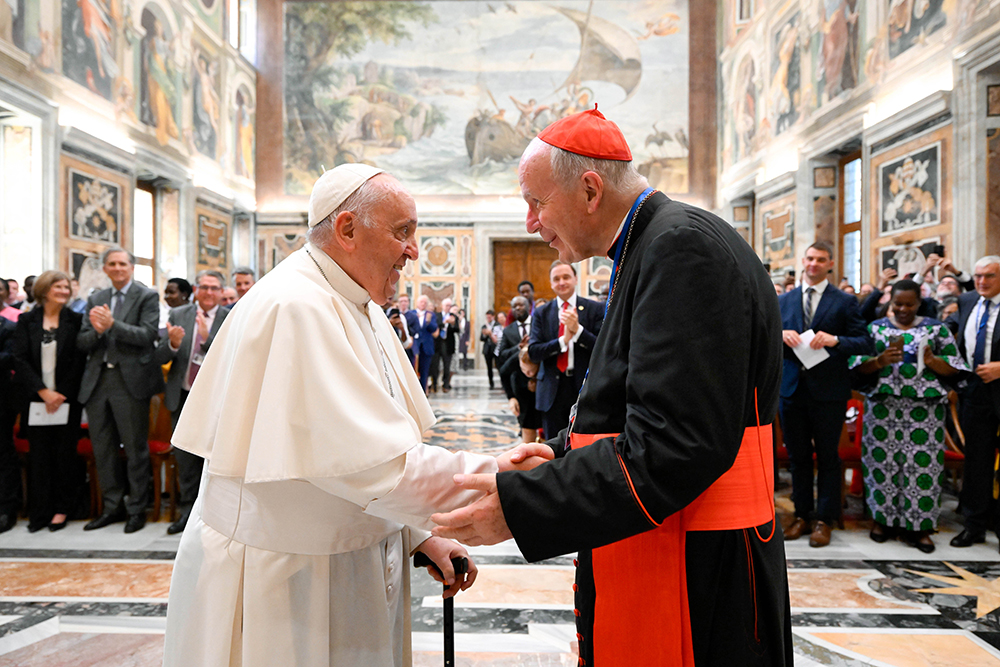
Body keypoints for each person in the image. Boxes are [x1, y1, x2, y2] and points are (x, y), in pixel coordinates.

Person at [432, 108, 792, 666]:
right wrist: (554, 454)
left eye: (536, 202)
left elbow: (676, 445)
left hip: (698, 565)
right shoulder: (654, 243)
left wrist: (524, 508)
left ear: (590, 189)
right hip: (670, 538)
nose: (531, 222)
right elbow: (640, 401)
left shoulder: (680, 250)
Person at [162, 163, 548, 666]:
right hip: (287, 577)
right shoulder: (296, 305)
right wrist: (505, 479)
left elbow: (370, 444)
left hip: (347, 559)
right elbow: (371, 465)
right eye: (402, 232)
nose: (413, 250)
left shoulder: (353, 301)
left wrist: (420, 534)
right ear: (346, 229)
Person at [850, 280, 967, 553]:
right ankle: (883, 521)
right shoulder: (876, 329)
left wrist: (933, 361)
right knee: (882, 466)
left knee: (923, 468)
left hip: (924, 412)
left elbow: (956, 368)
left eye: (909, 304)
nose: (903, 309)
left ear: (919, 303)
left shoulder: (936, 329)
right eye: (898, 304)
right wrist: (879, 362)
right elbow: (855, 366)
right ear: (891, 303)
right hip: (883, 409)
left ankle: (921, 527)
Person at [779, 241, 872, 548]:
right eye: (809, 258)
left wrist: (835, 340)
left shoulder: (844, 301)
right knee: (798, 457)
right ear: (802, 261)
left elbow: (863, 341)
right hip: (792, 389)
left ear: (830, 263)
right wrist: (780, 335)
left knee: (828, 458)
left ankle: (825, 519)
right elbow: (763, 335)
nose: (813, 264)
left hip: (828, 390)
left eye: (820, 259)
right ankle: (802, 515)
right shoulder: (785, 300)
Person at [77, 248, 164, 533]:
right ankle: (112, 507)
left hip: (130, 383)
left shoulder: (146, 295)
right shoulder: (96, 298)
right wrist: (99, 331)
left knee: (135, 449)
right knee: (104, 451)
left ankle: (136, 509)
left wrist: (113, 325)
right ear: (105, 267)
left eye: (122, 263)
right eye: (111, 264)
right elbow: (82, 341)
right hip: (98, 383)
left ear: (131, 267)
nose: (117, 268)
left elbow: (147, 335)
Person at [154, 270, 231, 535]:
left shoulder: (232, 316)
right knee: (185, 458)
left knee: (213, 460)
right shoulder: (179, 314)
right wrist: (173, 345)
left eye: (215, 288)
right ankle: (187, 513)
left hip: (216, 400)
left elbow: (231, 358)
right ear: (196, 289)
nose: (209, 292)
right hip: (183, 395)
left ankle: (213, 516)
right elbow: (161, 354)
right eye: (205, 287)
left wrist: (207, 338)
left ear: (222, 292)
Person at [11, 271, 86, 532]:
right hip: (35, 400)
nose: (64, 291)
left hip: (67, 400)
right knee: (39, 457)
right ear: (44, 290)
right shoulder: (26, 320)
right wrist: (43, 392)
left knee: (64, 456)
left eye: (67, 287)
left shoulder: (76, 320)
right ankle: (40, 511)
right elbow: (19, 359)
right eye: (58, 286)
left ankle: (62, 509)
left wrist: (59, 393)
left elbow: (79, 362)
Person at [944, 256, 1000, 549]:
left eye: (989, 276)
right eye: (978, 276)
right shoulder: (967, 301)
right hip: (975, 393)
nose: (982, 282)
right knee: (976, 462)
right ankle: (974, 525)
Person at [528, 260, 603, 437]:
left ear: (575, 279)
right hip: (551, 391)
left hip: (583, 388)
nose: (562, 282)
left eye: (566, 277)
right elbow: (534, 351)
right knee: (553, 447)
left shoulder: (594, 309)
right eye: (556, 279)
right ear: (551, 283)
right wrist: (563, 341)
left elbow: (603, 349)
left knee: (580, 447)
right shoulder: (542, 313)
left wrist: (578, 331)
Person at [500, 346, 542, 443]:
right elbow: (503, 373)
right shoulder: (515, 360)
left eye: (530, 370)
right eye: (523, 369)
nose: (527, 373)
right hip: (522, 392)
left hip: (542, 393)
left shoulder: (540, 358)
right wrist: (511, 397)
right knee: (527, 424)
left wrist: (537, 382)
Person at [0, 314, 18, 534]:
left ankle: (6, 509)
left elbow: (9, 357)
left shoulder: (9, 327)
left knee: (3, 455)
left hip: (2, 401)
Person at [411, 294, 438, 392]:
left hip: (426, 347)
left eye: (425, 303)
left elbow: (434, 328)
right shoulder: (412, 313)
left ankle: (423, 391)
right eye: (421, 302)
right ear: (417, 303)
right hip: (414, 346)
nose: (423, 304)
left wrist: (428, 321)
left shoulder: (430, 315)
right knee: (412, 370)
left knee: (424, 371)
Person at [496, 295, 531, 366]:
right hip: (516, 372)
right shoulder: (507, 331)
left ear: (528, 307)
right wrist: (518, 347)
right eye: (514, 306)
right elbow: (502, 354)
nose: (518, 308)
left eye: (521, 305)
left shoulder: (539, 324)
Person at [480, 310, 499, 388]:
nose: (488, 318)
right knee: (489, 367)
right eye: (487, 317)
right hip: (487, 349)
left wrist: (490, 332)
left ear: (493, 317)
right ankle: (491, 383)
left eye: (489, 317)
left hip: (495, 348)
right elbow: (481, 338)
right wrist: (485, 334)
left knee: (498, 365)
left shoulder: (497, 325)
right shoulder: (484, 326)